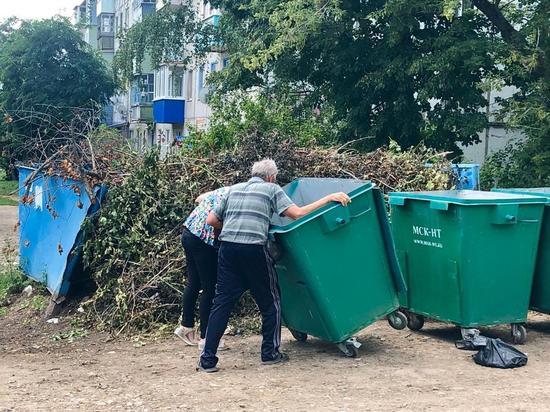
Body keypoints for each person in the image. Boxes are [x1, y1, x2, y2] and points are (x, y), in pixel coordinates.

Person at [197, 159, 351, 372]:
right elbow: (297, 214)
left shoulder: (233, 189)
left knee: (222, 302)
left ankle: (207, 359)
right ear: (271, 177)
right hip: (253, 250)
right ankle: (269, 353)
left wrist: (235, 226)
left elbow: (212, 220)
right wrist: (329, 198)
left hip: (228, 249)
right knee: (271, 301)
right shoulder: (272, 189)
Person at [174, 186, 230, 351]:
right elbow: (213, 221)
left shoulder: (224, 190)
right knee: (209, 287)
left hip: (188, 233)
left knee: (194, 282)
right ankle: (206, 338)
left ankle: (186, 326)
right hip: (203, 240)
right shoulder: (236, 197)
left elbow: (199, 198)